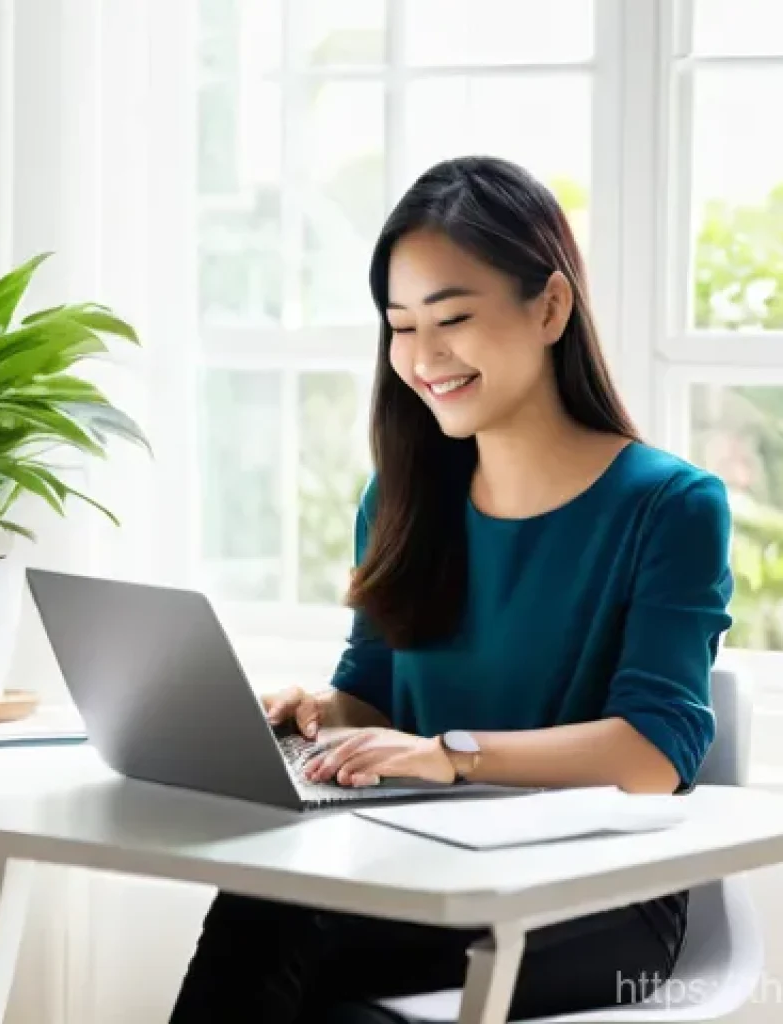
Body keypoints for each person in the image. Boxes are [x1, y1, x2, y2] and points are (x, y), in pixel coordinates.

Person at [168, 155, 734, 1024]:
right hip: (430, 861)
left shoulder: (671, 506)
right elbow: (375, 692)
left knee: (300, 948)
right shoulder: (404, 497)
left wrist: (451, 752)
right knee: (270, 914)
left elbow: (653, 755)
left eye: (453, 318)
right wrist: (319, 714)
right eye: (399, 327)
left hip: (596, 898)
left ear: (550, 307)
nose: (423, 357)